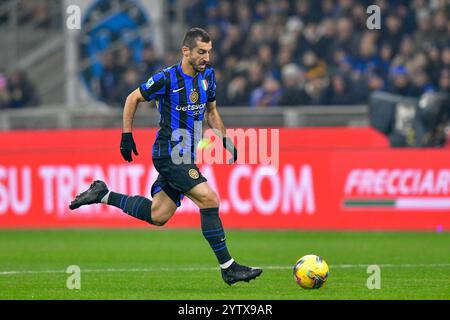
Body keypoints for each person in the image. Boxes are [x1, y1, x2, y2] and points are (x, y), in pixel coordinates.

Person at [69, 28, 263, 285]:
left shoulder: (208, 77)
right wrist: (127, 135)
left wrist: (226, 140)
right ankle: (228, 267)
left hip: (186, 155)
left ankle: (103, 194)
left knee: (158, 215)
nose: (207, 57)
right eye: (201, 52)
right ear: (186, 51)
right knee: (209, 199)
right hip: (169, 154)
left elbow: (212, 112)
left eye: (209, 52)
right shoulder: (167, 78)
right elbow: (132, 98)